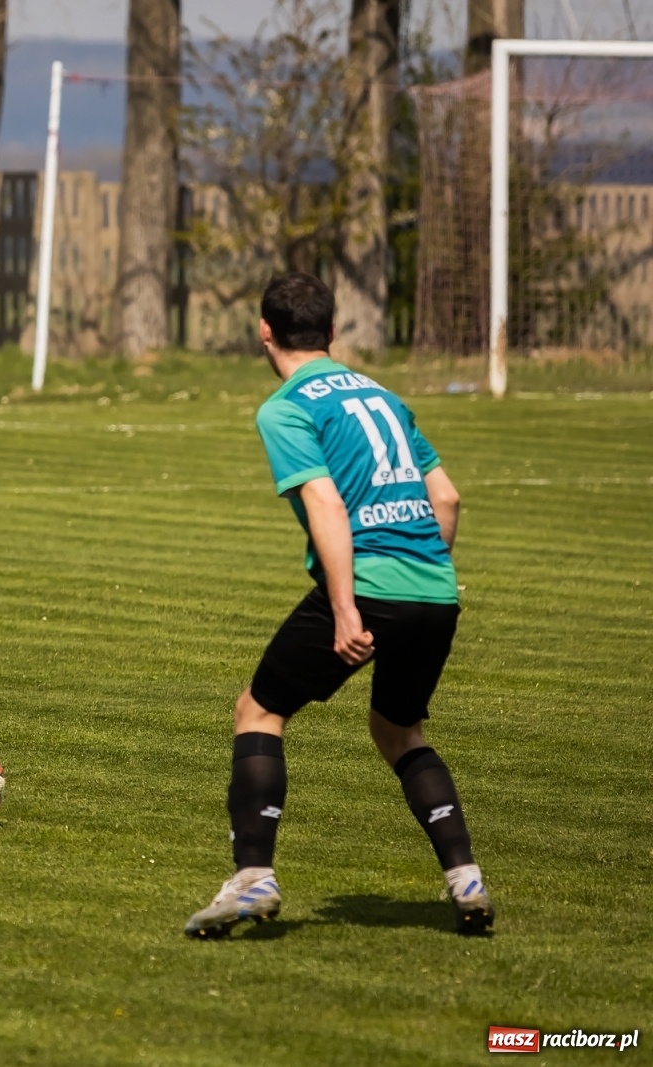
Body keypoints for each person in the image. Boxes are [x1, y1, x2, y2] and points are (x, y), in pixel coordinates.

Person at [184, 273, 493, 938]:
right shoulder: (384, 395)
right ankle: (465, 877)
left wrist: (348, 607)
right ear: (331, 331)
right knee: (398, 731)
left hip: (368, 586)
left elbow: (325, 503)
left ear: (264, 331)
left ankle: (253, 878)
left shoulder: (286, 407)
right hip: (435, 589)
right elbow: (447, 498)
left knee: (259, 710)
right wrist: (422, 572)